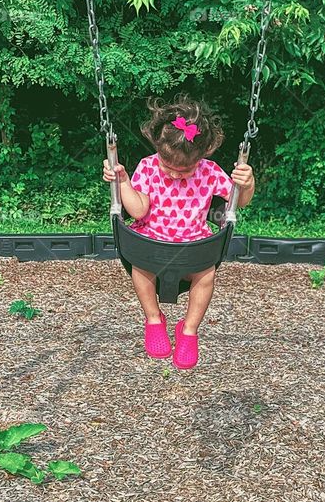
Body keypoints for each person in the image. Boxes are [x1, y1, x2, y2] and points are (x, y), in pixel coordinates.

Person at [102, 94, 256, 369]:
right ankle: (153, 319)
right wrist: (123, 182)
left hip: (193, 246)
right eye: (168, 167)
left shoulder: (209, 172)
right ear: (158, 151)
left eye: (184, 170)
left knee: (206, 275)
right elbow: (138, 211)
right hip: (152, 242)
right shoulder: (149, 167)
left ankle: (188, 330)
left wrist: (246, 184)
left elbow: (238, 203)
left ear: (202, 156)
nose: (174, 175)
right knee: (140, 268)